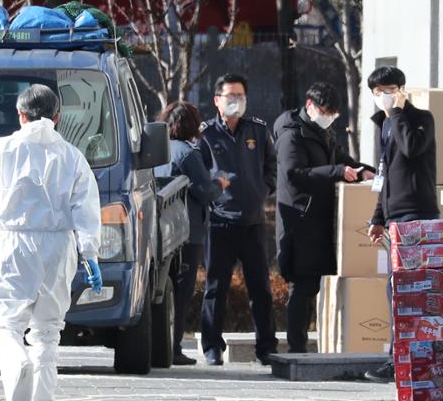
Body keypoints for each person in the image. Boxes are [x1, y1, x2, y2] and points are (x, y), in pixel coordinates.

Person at [0, 84, 102, 401]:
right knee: (47, 333)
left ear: (20, 115)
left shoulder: (2, 148)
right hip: (59, 247)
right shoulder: (72, 156)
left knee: (4, 322)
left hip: (15, 244)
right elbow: (86, 209)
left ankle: (17, 363)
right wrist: (91, 254)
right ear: (57, 117)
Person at [273, 82, 375, 353]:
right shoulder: (291, 135)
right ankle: (296, 349)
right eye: (325, 111)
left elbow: (341, 158)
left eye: (333, 113)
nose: (329, 116)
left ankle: (301, 346)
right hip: (299, 220)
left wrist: (363, 170)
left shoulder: (322, 132)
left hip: (318, 221)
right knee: (302, 286)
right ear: (310, 106)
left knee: (311, 286)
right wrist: (337, 171)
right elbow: (295, 174)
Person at [364, 66, 440, 383]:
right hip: (395, 217)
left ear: (402, 90)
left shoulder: (420, 119)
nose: (383, 96)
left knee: (409, 293)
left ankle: (405, 362)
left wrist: (397, 112)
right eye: (377, 91)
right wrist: (378, 217)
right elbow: (383, 174)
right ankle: (400, 360)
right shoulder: (383, 125)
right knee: (397, 291)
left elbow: (411, 148)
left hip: (417, 214)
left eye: (389, 89)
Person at [198, 73, 278, 366]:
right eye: (230, 97)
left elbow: (272, 164)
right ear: (217, 100)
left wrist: (263, 190)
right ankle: (211, 347)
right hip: (220, 222)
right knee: (216, 287)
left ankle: (266, 347)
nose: (236, 102)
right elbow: (199, 173)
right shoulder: (206, 134)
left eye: (240, 97)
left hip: (254, 221)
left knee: (260, 288)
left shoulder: (257, 129)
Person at [154, 102, 230, 365]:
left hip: (159, 231)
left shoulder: (158, 151)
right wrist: (219, 184)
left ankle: (160, 345)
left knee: (163, 290)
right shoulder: (188, 153)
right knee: (182, 292)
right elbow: (204, 190)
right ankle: (172, 349)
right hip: (186, 231)